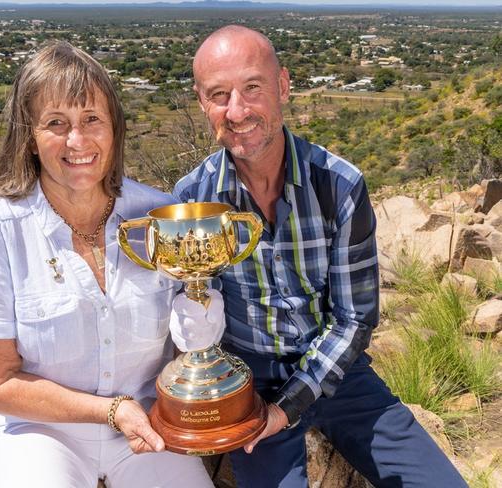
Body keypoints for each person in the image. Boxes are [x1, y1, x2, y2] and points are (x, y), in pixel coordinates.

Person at [170, 25, 467, 487]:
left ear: (282, 86)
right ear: (202, 102)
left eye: (253, 88)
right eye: (219, 94)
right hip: (248, 380)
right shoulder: (193, 200)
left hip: (339, 372)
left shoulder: (338, 185)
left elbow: (353, 319)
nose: (237, 110)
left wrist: (288, 407)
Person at [0, 41, 213, 488]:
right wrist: (111, 410)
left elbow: (188, 348)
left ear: (114, 128)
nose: (78, 140)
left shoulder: (159, 217)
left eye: (92, 119)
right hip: (39, 432)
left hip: (149, 425)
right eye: (56, 123)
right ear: (28, 137)